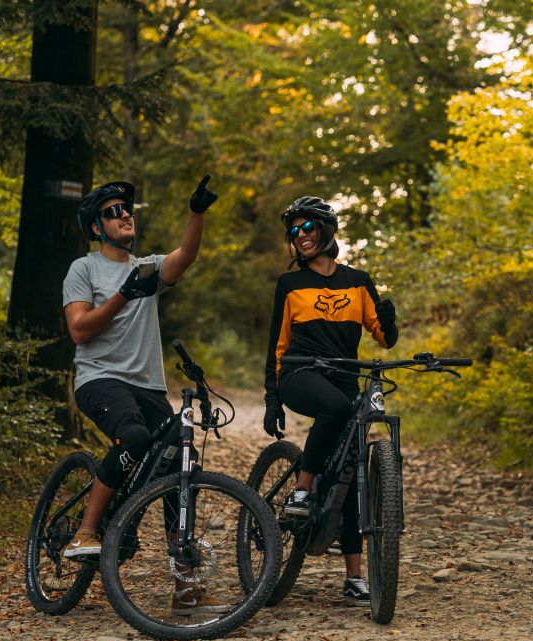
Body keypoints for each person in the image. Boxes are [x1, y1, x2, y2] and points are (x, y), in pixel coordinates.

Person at [61, 174, 223, 616]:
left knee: (181, 460)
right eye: (113, 212)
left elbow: (186, 256)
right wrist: (123, 294)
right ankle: (85, 532)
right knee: (132, 436)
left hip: (148, 385)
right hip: (100, 379)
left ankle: (185, 587)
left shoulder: (148, 267)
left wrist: (196, 213)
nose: (125, 215)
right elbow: (79, 330)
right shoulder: (84, 269)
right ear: (97, 227)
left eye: (127, 210)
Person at [262, 196, 398, 606]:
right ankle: (302, 489)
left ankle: (354, 577)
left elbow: (384, 338)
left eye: (308, 227)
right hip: (300, 373)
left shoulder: (358, 280)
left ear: (326, 229)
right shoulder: (289, 284)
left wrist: (388, 319)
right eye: (294, 231)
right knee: (335, 408)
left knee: (352, 468)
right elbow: (277, 345)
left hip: (343, 376)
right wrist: (272, 397)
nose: (300, 235)